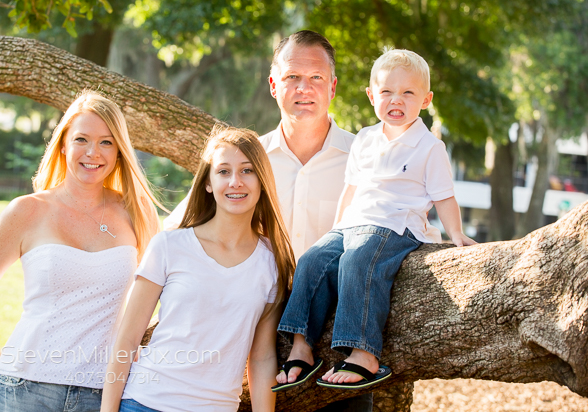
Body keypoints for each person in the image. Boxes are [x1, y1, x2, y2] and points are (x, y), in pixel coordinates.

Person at [165, 30, 372, 410]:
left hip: (336, 338)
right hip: (247, 336)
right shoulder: (246, 163)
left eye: (316, 79)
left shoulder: (366, 159)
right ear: (274, 84)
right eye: (292, 77)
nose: (303, 88)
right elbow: (180, 232)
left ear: (333, 87)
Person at [274, 48, 476, 392]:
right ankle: (301, 346)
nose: (396, 100)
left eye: (408, 93)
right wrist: (333, 231)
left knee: (358, 260)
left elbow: (444, 196)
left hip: (395, 225)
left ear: (425, 100)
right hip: (352, 224)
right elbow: (350, 191)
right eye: (386, 92)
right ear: (371, 96)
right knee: (312, 260)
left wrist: (456, 234)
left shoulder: (429, 147)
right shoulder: (365, 139)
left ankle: (363, 353)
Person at [0, 90, 161, 412]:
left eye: (107, 142)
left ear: (120, 151)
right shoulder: (26, 211)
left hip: (105, 391)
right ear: (64, 143)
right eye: (82, 139)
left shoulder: (137, 213)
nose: (93, 152)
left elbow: (155, 294)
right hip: (27, 388)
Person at [100, 126, 295, 412]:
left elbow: (262, 356)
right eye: (224, 171)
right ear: (207, 183)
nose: (235, 182)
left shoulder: (271, 262)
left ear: (263, 180)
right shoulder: (169, 245)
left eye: (247, 171)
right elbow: (127, 338)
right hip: (146, 402)